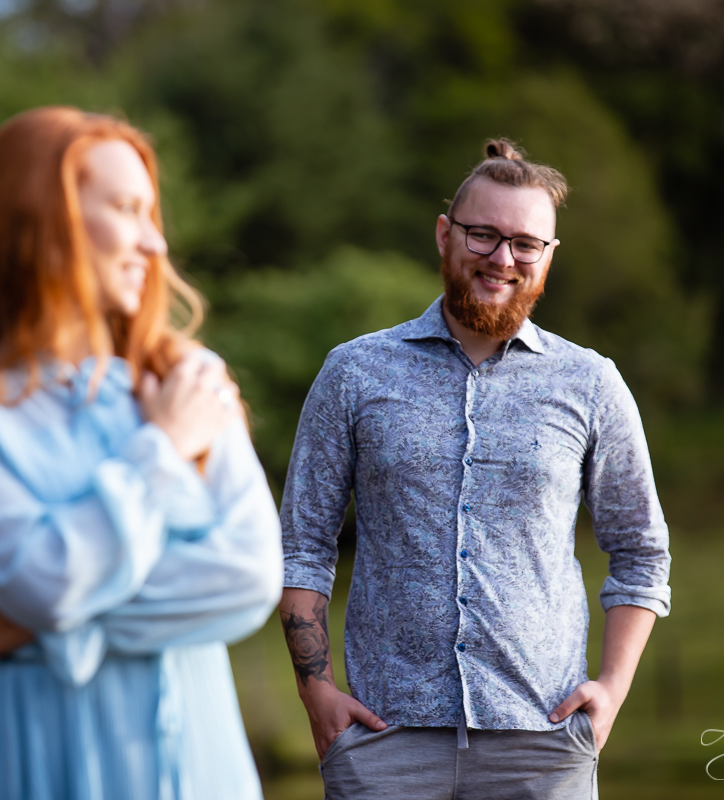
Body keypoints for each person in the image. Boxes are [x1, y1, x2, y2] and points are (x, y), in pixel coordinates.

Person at [0, 107, 283, 800]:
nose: (154, 243)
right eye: (128, 210)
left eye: (151, 212)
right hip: (41, 758)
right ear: (45, 221)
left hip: (201, 764)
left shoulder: (189, 379)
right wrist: (161, 447)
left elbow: (250, 580)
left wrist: (52, 628)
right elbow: (46, 583)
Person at [279, 139, 672, 799]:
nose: (502, 257)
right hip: (383, 744)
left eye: (525, 243)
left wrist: (612, 689)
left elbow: (641, 551)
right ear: (444, 234)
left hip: (543, 746)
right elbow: (302, 546)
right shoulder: (353, 372)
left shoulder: (592, 383)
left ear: (548, 257)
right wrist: (315, 690)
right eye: (482, 235)